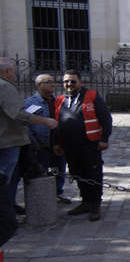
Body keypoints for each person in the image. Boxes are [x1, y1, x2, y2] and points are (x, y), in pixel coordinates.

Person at [53, 70, 112, 222]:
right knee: (77, 173)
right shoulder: (60, 99)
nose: (69, 84)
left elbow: (106, 118)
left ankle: (95, 205)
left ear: (80, 82)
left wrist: (104, 139)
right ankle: (85, 202)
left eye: (73, 81)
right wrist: (57, 143)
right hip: (70, 146)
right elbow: (56, 123)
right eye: (66, 81)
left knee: (93, 174)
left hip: (90, 145)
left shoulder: (92, 96)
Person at [0, 59, 57, 212]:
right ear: (6, 72)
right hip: (8, 140)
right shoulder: (5, 86)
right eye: (12, 71)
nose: (14, 74)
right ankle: (5, 213)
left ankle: (9, 207)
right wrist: (45, 121)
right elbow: (18, 114)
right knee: (6, 178)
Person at [22, 74, 69, 204]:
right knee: (41, 172)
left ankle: (57, 193)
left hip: (58, 145)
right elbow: (26, 125)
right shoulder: (29, 103)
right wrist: (34, 143)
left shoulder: (60, 101)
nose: (52, 84)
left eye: (53, 82)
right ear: (39, 85)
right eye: (48, 82)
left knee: (57, 170)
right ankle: (42, 198)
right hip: (40, 146)